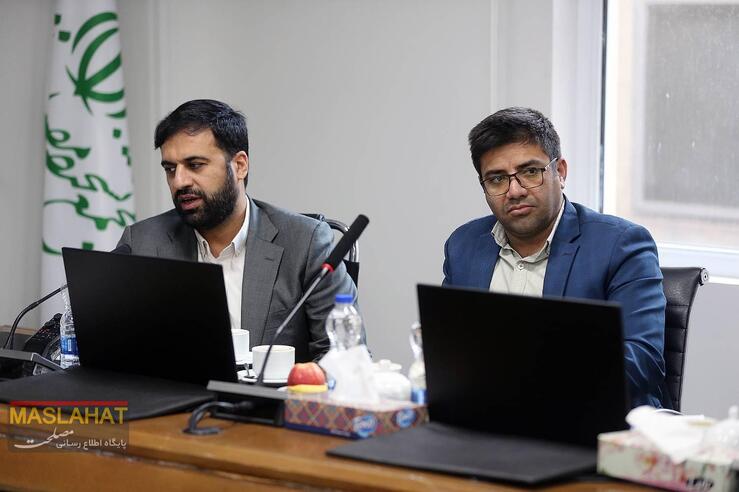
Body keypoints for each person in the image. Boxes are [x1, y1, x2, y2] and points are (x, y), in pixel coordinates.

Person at [443, 107, 667, 408]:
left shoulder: (621, 245)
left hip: (589, 419)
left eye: (530, 172)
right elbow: (448, 350)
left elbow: (642, 363)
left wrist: (525, 376)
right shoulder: (464, 246)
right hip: (486, 418)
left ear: (560, 172)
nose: (514, 191)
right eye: (497, 179)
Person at [117, 99, 357, 362]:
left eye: (195, 165)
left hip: (274, 389)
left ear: (240, 165)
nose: (179, 181)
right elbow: (114, 344)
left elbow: (345, 357)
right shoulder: (141, 243)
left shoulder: (305, 243)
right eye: (170, 169)